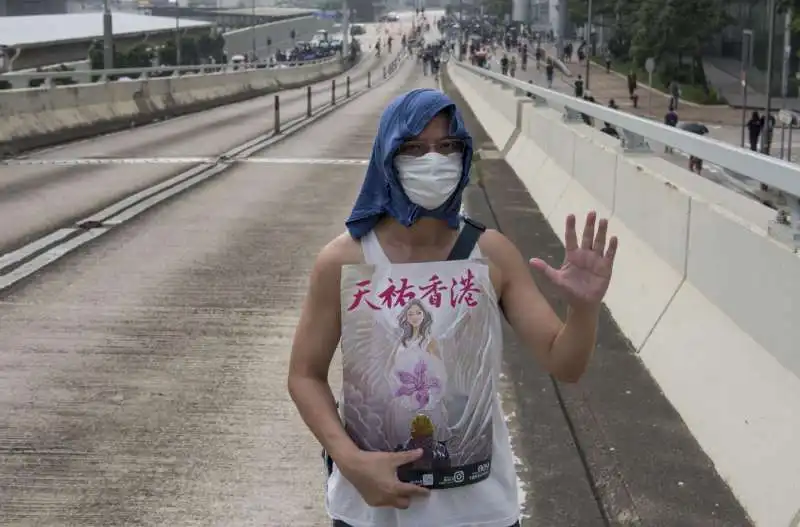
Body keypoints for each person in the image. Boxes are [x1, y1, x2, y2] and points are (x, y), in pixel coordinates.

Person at [288, 89, 618, 527]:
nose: (433, 160)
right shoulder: (343, 262)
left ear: (464, 155)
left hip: (480, 513)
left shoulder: (492, 255)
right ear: (387, 155)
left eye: (447, 147)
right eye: (413, 148)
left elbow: (564, 362)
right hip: (369, 513)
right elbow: (304, 375)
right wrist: (349, 461)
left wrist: (584, 310)